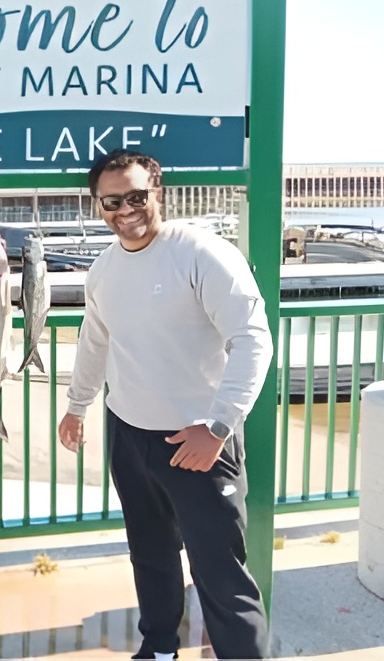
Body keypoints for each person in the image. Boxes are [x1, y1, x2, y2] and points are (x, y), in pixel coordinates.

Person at [57, 149, 273, 661]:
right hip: (129, 435)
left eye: (136, 197)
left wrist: (218, 427)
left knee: (220, 572)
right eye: (112, 201)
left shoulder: (201, 253)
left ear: (159, 194)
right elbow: (95, 340)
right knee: (150, 556)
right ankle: (158, 650)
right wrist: (77, 404)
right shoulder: (103, 269)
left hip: (199, 441)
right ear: (98, 205)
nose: (125, 210)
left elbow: (252, 339)